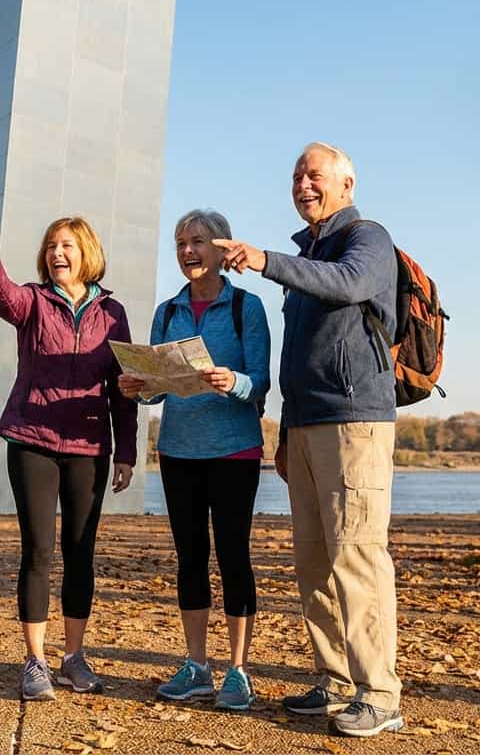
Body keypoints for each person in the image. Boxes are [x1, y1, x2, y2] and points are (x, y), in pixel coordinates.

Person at [215, 142, 404, 738]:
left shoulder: (367, 238)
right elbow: (300, 355)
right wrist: (287, 431)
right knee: (314, 561)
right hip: (308, 428)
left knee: (357, 556)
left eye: (314, 174)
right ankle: (336, 680)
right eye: (296, 175)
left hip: (356, 423)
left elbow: (348, 284)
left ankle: (380, 693)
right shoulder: (308, 256)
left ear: (346, 183)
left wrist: (266, 260)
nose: (302, 184)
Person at [0, 217, 136, 702]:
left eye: (67, 246)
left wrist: (126, 451)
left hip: (88, 447)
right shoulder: (35, 302)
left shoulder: (113, 312)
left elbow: (123, 390)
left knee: (81, 553)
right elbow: (6, 298)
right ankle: (35, 660)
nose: (57, 253)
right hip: (32, 440)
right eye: (51, 246)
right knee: (38, 550)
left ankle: (73, 658)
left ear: (86, 252)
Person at [118, 209, 271, 711]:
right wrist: (139, 388)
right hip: (178, 452)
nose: (188, 250)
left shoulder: (246, 307)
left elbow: (260, 383)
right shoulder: (167, 312)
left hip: (234, 451)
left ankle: (239, 671)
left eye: (198, 241)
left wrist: (234, 382)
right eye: (181, 242)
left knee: (233, 557)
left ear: (222, 248)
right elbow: (158, 392)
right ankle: (197, 664)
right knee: (190, 560)